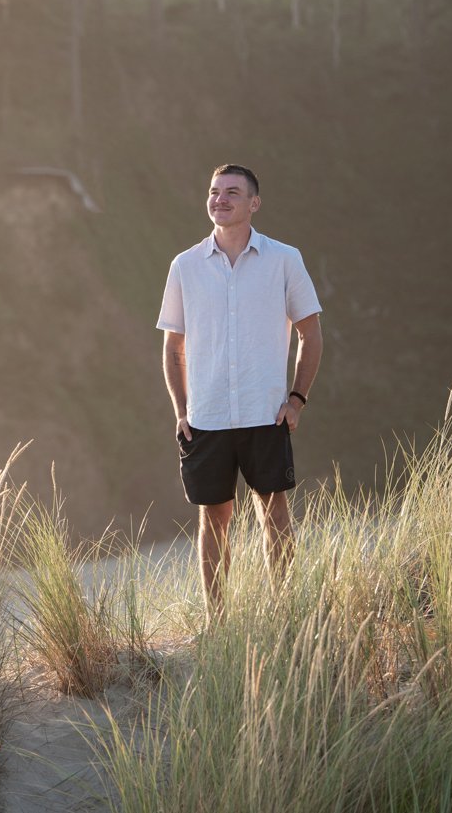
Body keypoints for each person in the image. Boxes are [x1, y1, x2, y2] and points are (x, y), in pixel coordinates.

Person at [156, 164, 323, 614]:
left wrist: (296, 400)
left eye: (232, 192)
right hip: (206, 418)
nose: (220, 199)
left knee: (275, 515)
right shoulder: (185, 266)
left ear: (254, 203)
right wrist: (181, 410)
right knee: (213, 519)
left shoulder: (284, 259)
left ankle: (285, 614)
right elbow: (174, 348)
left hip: (265, 413)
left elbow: (311, 334)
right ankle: (218, 621)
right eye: (214, 192)